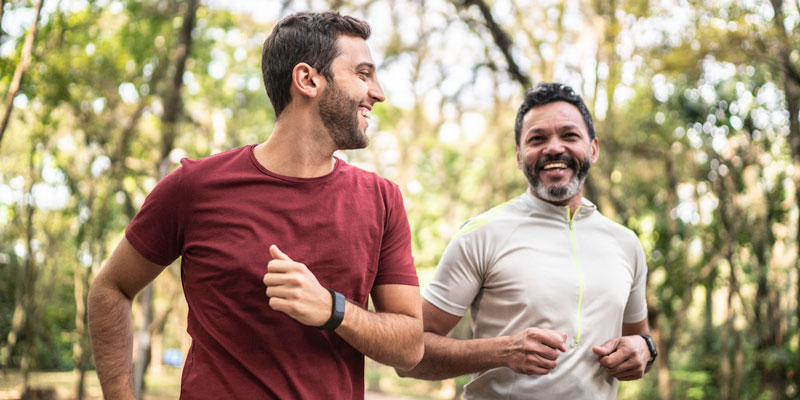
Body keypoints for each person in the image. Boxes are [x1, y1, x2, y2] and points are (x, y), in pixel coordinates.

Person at [88, 11, 423, 399]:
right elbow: (110, 288)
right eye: (363, 75)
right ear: (308, 79)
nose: (378, 92)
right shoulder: (194, 188)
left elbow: (410, 346)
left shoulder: (383, 200)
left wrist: (334, 309)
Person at [397, 82, 656, 399]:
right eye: (537, 139)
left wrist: (645, 349)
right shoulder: (481, 234)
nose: (554, 148)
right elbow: (406, 355)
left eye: (570, 135)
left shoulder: (625, 243)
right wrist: (501, 351)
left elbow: (639, 338)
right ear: (519, 157)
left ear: (594, 149)